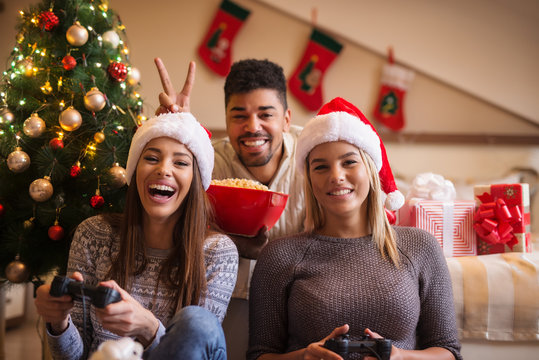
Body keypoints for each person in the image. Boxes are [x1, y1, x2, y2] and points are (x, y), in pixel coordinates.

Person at [248, 97, 462, 360]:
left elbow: (448, 352)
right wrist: (304, 356)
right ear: (310, 179)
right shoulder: (279, 255)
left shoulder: (420, 247)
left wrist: (401, 357)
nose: (336, 176)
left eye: (349, 162)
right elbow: (259, 356)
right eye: (321, 166)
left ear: (370, 170)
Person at [34, 112, 239, 360]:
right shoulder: (94, 235)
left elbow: (198, 347)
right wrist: (59, 323)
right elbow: (75, 357)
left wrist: (148, 328)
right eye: (151, 158)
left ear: (196, 179)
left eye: (181, 163)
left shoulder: (218, 252)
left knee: (196, 321)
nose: (163, 169)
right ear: (135, 171)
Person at [155, 58, 305, 359]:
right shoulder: (206, 160)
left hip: (297, 303)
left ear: (286, 119)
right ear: (226, 119)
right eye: (239, 116)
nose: (253, 127)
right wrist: (176, 130)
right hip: (225, 302)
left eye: (266, 115)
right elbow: (167, 217)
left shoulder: (313, 156)